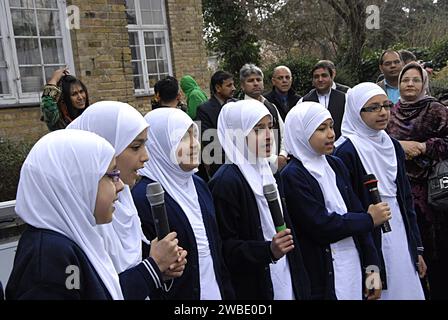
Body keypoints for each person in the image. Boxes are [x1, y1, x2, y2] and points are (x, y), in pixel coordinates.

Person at [67, 101, 186, 297]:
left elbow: (133, 260)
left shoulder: (123, 198)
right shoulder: (78, 223)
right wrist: (153, 266)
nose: (145, 156)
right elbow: (98, 291)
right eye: (136, 147)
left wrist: (162, 264)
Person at [281, 102, 390, 300]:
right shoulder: (293, 175)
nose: (331, 134)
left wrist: (373, 269)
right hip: (323, 276)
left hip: (353, 267)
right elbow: (320, 224)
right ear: (300, 133)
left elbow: (360, 218)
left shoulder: (334, 164)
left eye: (331, 126)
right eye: (321, 129)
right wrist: (368, 219)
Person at [209, 100, 311, 300]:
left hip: (284, 273)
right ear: (236, 135)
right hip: (255, 285)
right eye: (257, 129)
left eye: (269, 127)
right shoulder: (226, 182)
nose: (268, 136)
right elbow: (225, 248)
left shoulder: (268, 170)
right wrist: (267, 251)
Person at [6, 129, 125, 299]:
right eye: (111, 175)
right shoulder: (50, 258)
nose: (120, 185)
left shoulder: (70, 239)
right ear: (76, 183)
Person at [334, 82, 426, 300]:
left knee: (405, 285)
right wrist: (370, 274)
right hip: (370, 232)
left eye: (386, 105)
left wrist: (417, 249)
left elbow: (405, 197)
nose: (383, 112)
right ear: (357, 111)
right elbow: (352, 210)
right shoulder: (346, 151)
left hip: (400, 229)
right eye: (373, 107)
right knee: (378, 289)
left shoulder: (391, 144)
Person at [131, 108, 234, 300]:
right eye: (183, 138)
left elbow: (215, 249)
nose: (194, 144)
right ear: (161, 145)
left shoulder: (198, 184)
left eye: (194, 135)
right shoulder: (144, 197)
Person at [386, 62, 448, 300]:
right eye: (405, 80)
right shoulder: (392, 111)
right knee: (413, 253)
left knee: (438, 255)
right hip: (403, 191)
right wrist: (399, 146)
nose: (409, 84)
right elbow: (382, 143)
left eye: (415, 80)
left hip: (435, 192)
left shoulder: (435, 109)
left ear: (424, 84)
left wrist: (424, 147)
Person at [240, 63, 288, 172]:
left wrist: (282, 155)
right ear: (242, 86)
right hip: (253, 168)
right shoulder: (240, 111)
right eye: (250, 81)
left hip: (277, 169)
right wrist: (273, 159)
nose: (256, 83)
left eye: (258, 79)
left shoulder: (271, 107)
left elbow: (284, 133)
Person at [195, 71, 236, 180]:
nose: (234, 88)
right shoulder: (204, 109)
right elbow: (209, 140)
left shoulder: (237, 105)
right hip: (220, 164)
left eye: (233, 84)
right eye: (229, 85)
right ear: (218, 88)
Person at [301, 61, 346, 139]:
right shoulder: (304, 101)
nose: (320, 79)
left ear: (331, 77)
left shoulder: (345, 98)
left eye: (324, 76)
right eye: (316, 77)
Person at [40, 67, 89, 131]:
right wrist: (54, 79)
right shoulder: (58, 121)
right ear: (65, 98)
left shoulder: (87, 116)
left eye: (81, 91)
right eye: (74, 94)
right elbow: (48, 103)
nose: (80, 97)